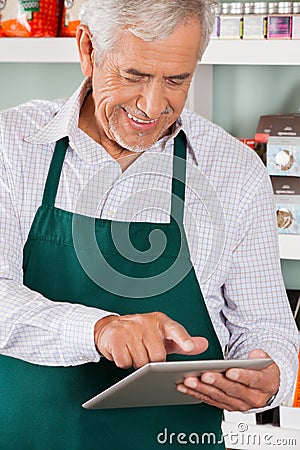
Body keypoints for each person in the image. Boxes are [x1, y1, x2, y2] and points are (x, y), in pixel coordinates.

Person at [0, 0, 298, 449]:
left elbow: (266, 325)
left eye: (176, 80)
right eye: (135, 75)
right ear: (87, 48)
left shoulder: (233, 170)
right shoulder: (12, 147)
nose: (152, 105)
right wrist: (100, 330)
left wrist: (267, 377)